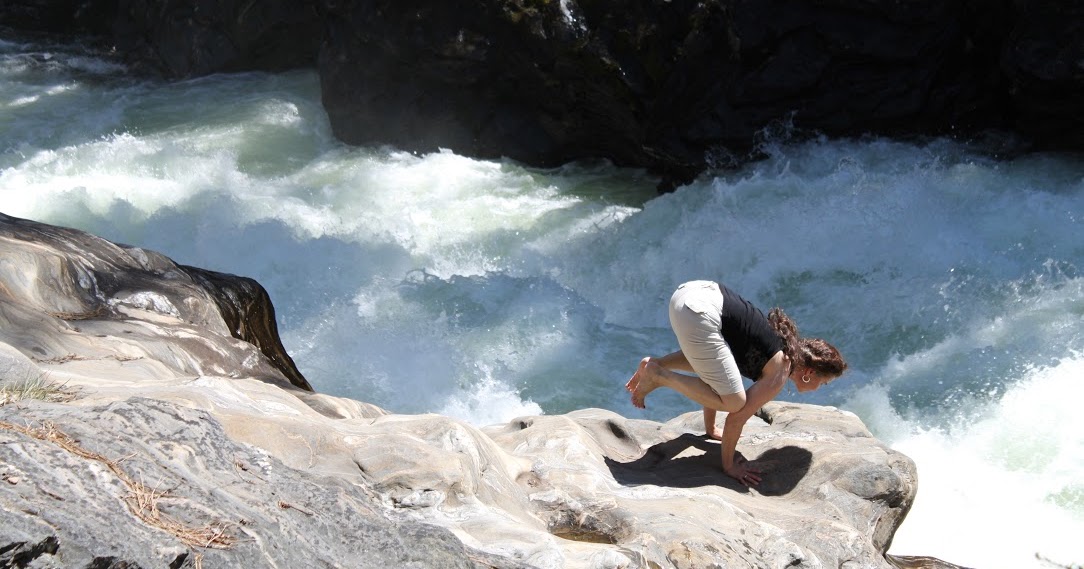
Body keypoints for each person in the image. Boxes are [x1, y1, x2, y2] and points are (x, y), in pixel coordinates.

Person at [625, 280, 847, 487]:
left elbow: (714, 375)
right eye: (824, 383)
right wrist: (729, 466)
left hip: (689, 295)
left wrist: (710, 429)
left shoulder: (781, 346)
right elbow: (735, 420)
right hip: (700, 312)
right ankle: (659, 375)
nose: (821, 388)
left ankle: (654, 364)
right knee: (735, 402)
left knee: (722, 375)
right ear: (809, 373)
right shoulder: (780, 370)